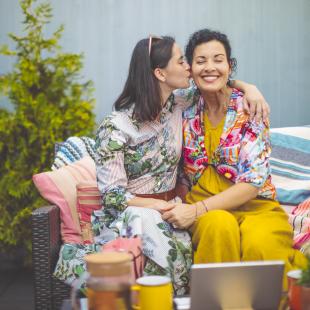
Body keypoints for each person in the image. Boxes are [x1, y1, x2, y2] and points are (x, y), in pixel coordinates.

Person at [53, 34, 270, 295]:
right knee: (149, 222)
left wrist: (249, 88)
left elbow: (213, 78)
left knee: (197, 228)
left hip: (170, 210)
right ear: (160, 73)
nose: (189, 67)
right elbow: (112, 196)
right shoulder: (116, 126)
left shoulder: (177, 104)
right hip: (134, 211)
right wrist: (159, 205)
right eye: (182, 61)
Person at [161, 29, 307, 289]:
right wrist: (246, 84)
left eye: (218, 59)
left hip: (257, 207)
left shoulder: (250, 108)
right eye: (201, 61)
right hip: (206, 206)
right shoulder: (184, 103)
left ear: (230, 65)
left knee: (261, 244)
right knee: (218, 228)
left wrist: (248, 89)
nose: (210, 67)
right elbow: (150, 87)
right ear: (191, 70)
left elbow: (253, 183)